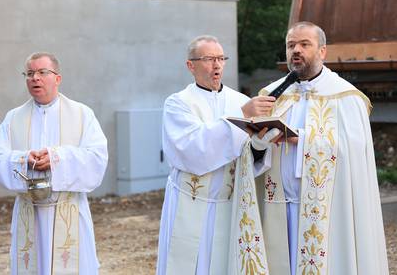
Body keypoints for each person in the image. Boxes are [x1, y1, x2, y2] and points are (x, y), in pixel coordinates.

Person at [255, 21, 389, 275]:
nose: (296, 50)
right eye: (291, 45)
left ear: (322, 51)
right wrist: (258, 140)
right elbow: (253, 152)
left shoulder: (346, 97)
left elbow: (354, 152)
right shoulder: (272, 94)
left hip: (327, 210)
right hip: (278, 206)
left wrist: (303, 140)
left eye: (305, 44)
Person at [155, 35, 281, 275]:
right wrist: (242, 115)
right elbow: (193, 149)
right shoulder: (178, 103)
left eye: (221, 58)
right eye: (209, 59)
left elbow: (248, 158)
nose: (217, 65)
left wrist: (262, 143)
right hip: (189, 202)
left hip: (229, 204)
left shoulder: (240, 100)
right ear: (191, 66)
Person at [0, 52, 108, 275]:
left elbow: (97, 157)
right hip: (28, 212)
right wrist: (24, 160)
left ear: (57, 78)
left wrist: (56, 158)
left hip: (67, 209)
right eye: (30, 73)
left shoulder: (82, 114)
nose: (35, 78)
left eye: (42, 72)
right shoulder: (14, 118)